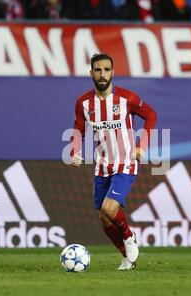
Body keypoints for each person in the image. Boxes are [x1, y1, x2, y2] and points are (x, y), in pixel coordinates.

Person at [70, 53, 157, 271]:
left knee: (110, 208)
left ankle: (129, 237)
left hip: (126, 162)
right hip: (102, 165)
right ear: (91, 73)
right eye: (98, 70)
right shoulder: (83, 103)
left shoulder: (127, 98)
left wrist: (142, 145)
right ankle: (128, 259)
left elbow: (151, 115)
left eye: (106, 70)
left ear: (113, 72)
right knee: (104, 218)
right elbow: (78, 129)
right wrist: (75, 151)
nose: (102, 74)